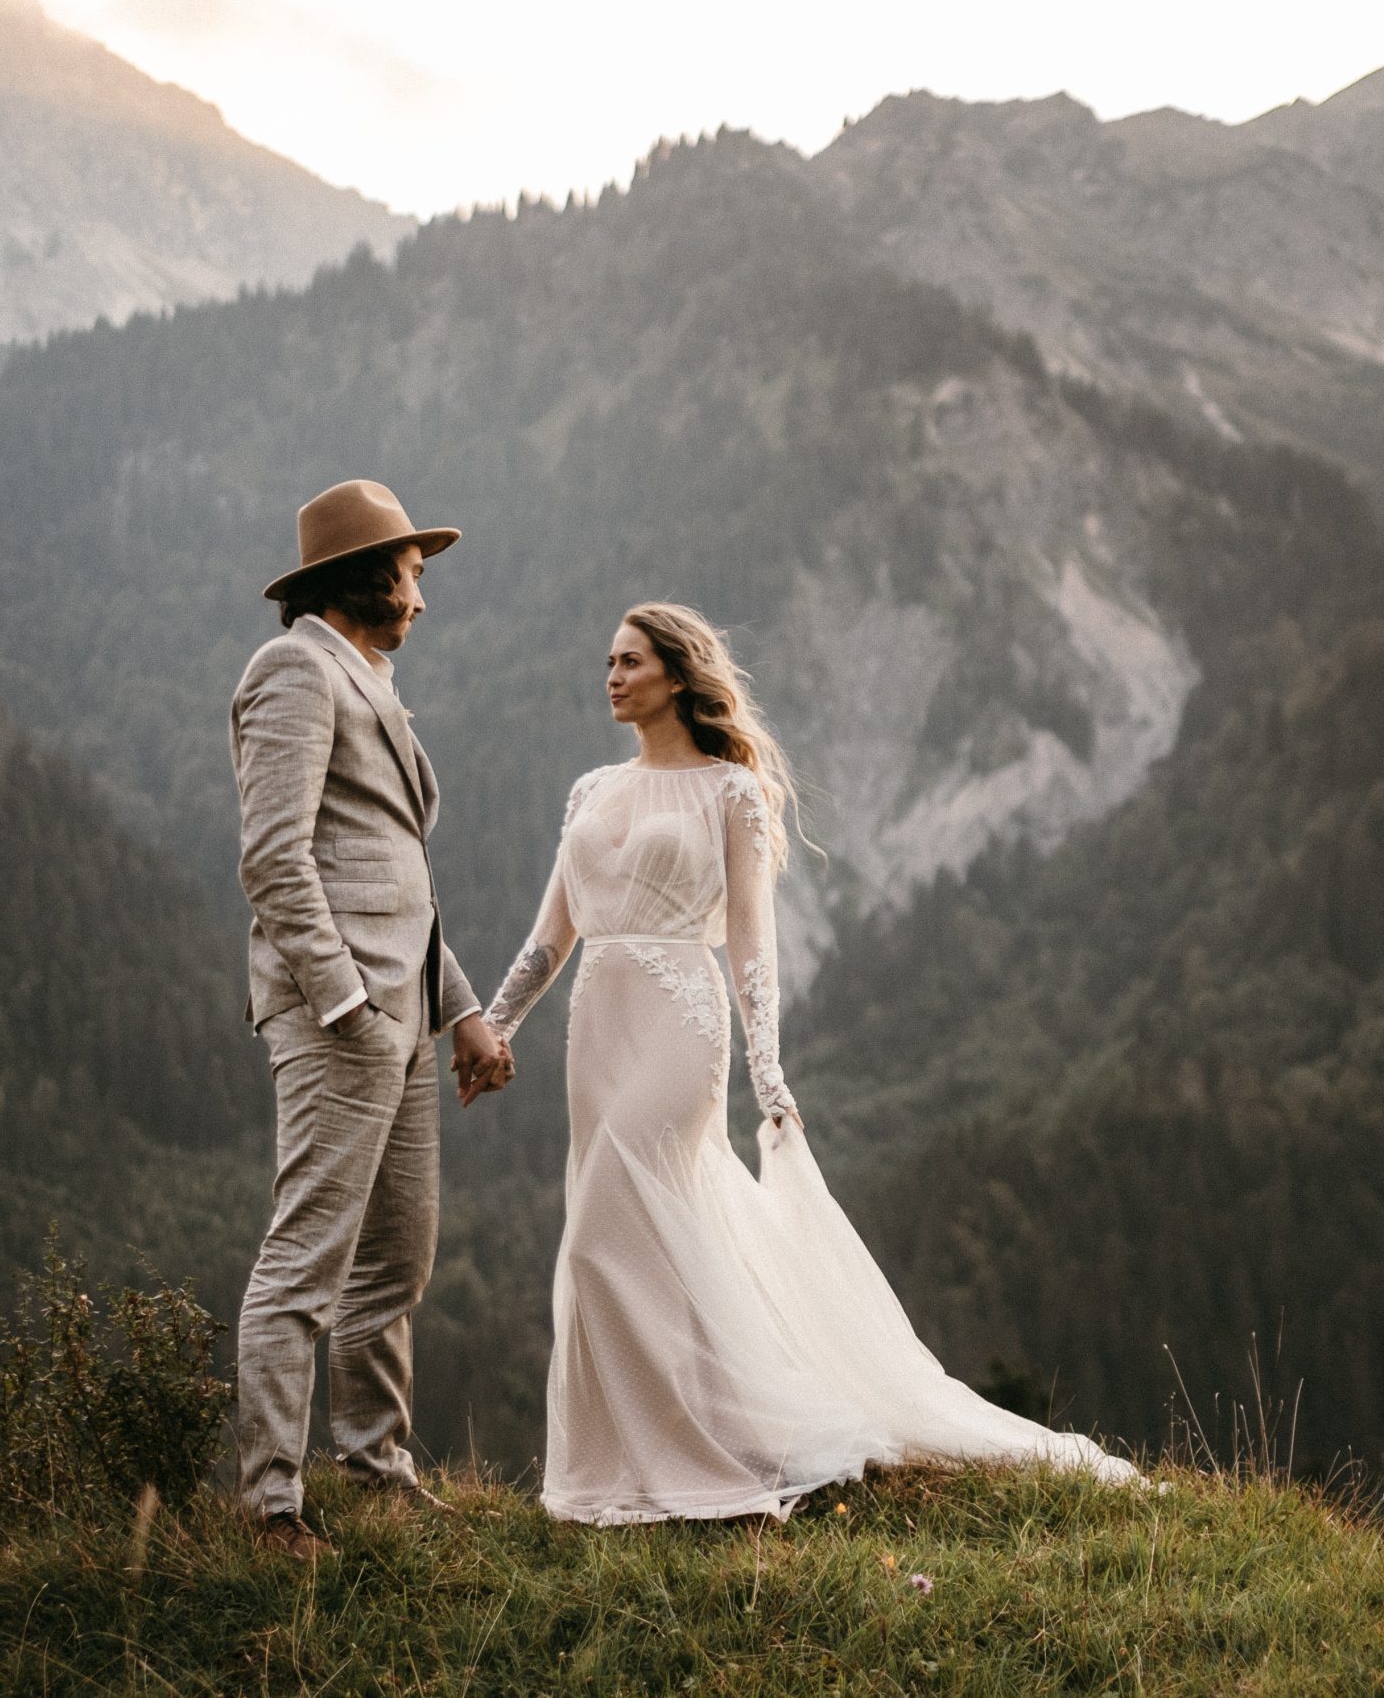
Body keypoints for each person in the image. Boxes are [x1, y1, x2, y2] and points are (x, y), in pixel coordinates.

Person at [480, 602, 1142, 1524]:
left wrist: (768, 1068)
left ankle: (702, 1456)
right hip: (597, 1028)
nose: (613, 676)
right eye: (608, 662)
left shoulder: (730, 791)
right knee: (645, 1238)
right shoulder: (591, 791)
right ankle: (654, 1448)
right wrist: (494, 1025)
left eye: (631, 661)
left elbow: (753, 939)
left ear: (677, 674)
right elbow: (550, 936)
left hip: (680, 1019)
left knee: (600, 1231)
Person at [227, 478, 514, 1561]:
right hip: (338, 1018)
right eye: (411, 578)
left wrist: (463, 1012)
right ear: (363, 580)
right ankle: (270, 1507)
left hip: (401, 1015)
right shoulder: (294, 669)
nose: (422, 601)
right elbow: (275, 860)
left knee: (397, 1257)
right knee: (305, 1259)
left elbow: (397, 879)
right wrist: (345, 1001)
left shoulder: (365, 678)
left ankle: (375, 1464)